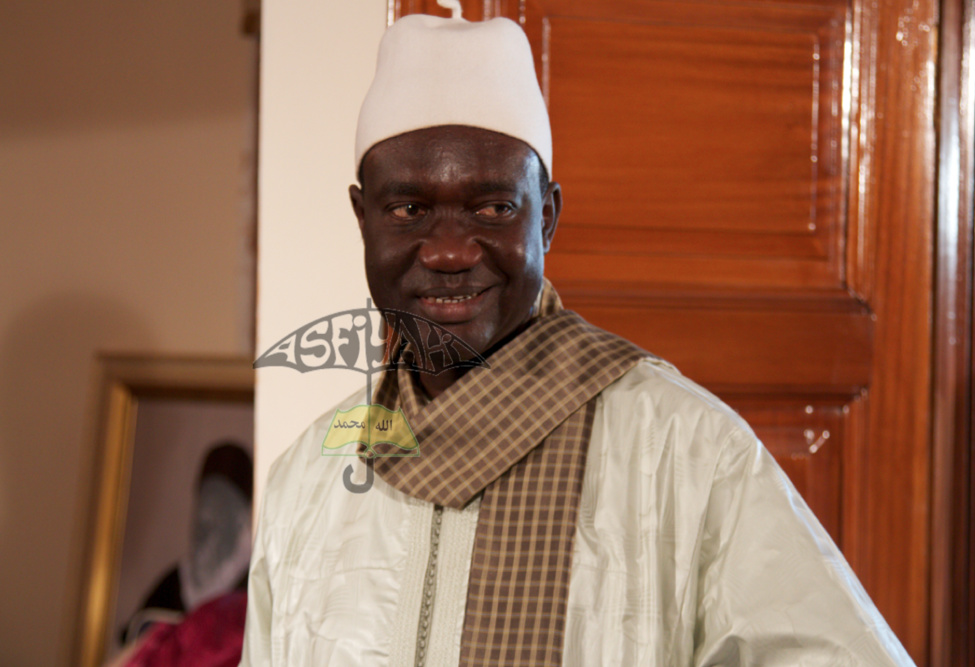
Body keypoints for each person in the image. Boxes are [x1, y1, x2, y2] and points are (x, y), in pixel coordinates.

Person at [241, 14, 914, 667]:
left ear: (549, 218)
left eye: (493, 207)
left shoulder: (685, 451)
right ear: (363, 219)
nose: (447, 250)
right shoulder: (310, 479)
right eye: (408, 209)